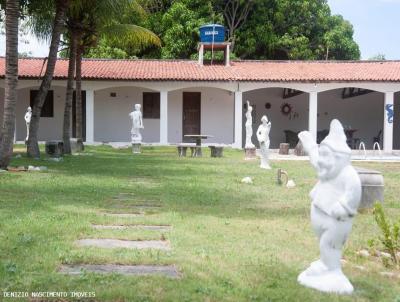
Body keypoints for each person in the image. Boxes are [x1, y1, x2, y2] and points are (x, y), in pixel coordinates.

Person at [297, 119, 361, 294]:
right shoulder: (327, 169)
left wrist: (344, 207)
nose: (322, 161)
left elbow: (354, 191)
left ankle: (332, 269)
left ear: (339, 158)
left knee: (329, 243)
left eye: (327, 156)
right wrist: (311, 147)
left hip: (336, 219)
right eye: (322, 154)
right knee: (322, 241)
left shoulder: (348, 174)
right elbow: (316, 161)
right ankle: (326, 264)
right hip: (321, 211)